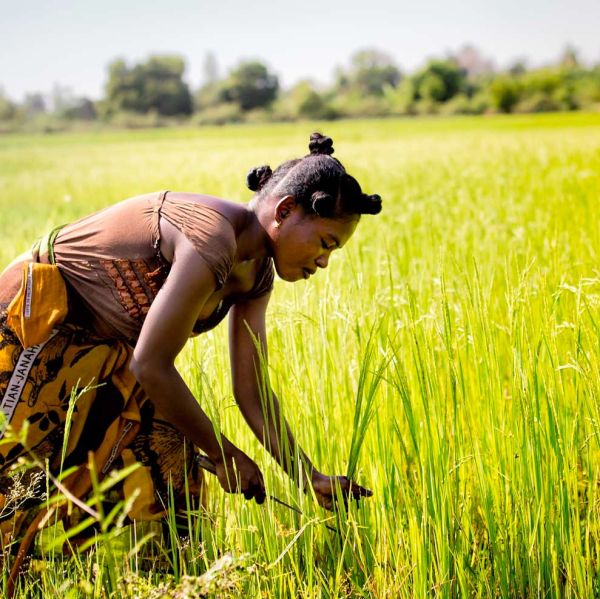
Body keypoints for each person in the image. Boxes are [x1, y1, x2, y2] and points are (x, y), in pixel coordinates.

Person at [0, 132, 380, 567]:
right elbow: (151, 364)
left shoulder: (256, 275)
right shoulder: (210, 239)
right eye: (326, 243)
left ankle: (166, 592)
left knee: (168, 462)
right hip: (36, 326)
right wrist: (224, 454)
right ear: (285, 211)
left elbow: (251, 391)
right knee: (16, 474)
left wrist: (307, 476)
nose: (325, 261)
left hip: (108, 352)